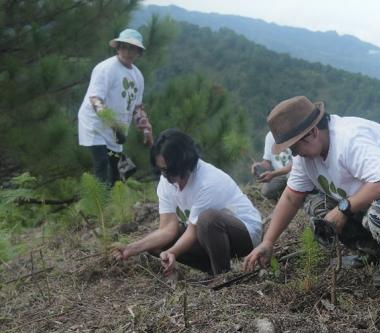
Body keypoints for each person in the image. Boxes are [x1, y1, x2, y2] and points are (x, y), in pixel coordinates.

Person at [242, 96, 380, 287]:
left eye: (293, 147)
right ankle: (371, 251)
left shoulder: (349, 139)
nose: (293, 153)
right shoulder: (304, 159)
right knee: (317, 205)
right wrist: (268, 242)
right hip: (378, 196)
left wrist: (343, 210)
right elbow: (291, 197)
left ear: (312, 133)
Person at [112, 129, 263, 276]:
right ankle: (210, 269)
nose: (172, 178)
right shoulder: (166, 182)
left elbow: (192, 231)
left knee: (208, 220)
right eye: (164, 171)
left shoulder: (208, 181)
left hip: (246, 234)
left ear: (187, 162)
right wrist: (131, 249)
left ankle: (222, 275)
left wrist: (172, 252)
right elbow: (167, 229)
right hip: (208, 237)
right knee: (156, 244)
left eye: (175, 171)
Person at [78, 28, 154, 186]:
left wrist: (146, 129)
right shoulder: (106, 69)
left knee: (118, 172)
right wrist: (114, 126)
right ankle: (98, 207)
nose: (128, 52)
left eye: (133, 48)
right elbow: (95, 100)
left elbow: (137, 107)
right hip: (95, 125)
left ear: (139, 52)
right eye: (125, 47)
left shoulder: (138, 76)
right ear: (118, 47)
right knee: (102, 165)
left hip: (117, 128)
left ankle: (113, 205)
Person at [252, 130, 293, 202]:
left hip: (293, 171)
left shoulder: (292, 131)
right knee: (266, 192)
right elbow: (267, 162)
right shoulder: (270, 136)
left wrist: (273, 174)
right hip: (279, 174)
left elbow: (295, 164)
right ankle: (285, 192)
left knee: (291, 176)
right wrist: (259, 166)